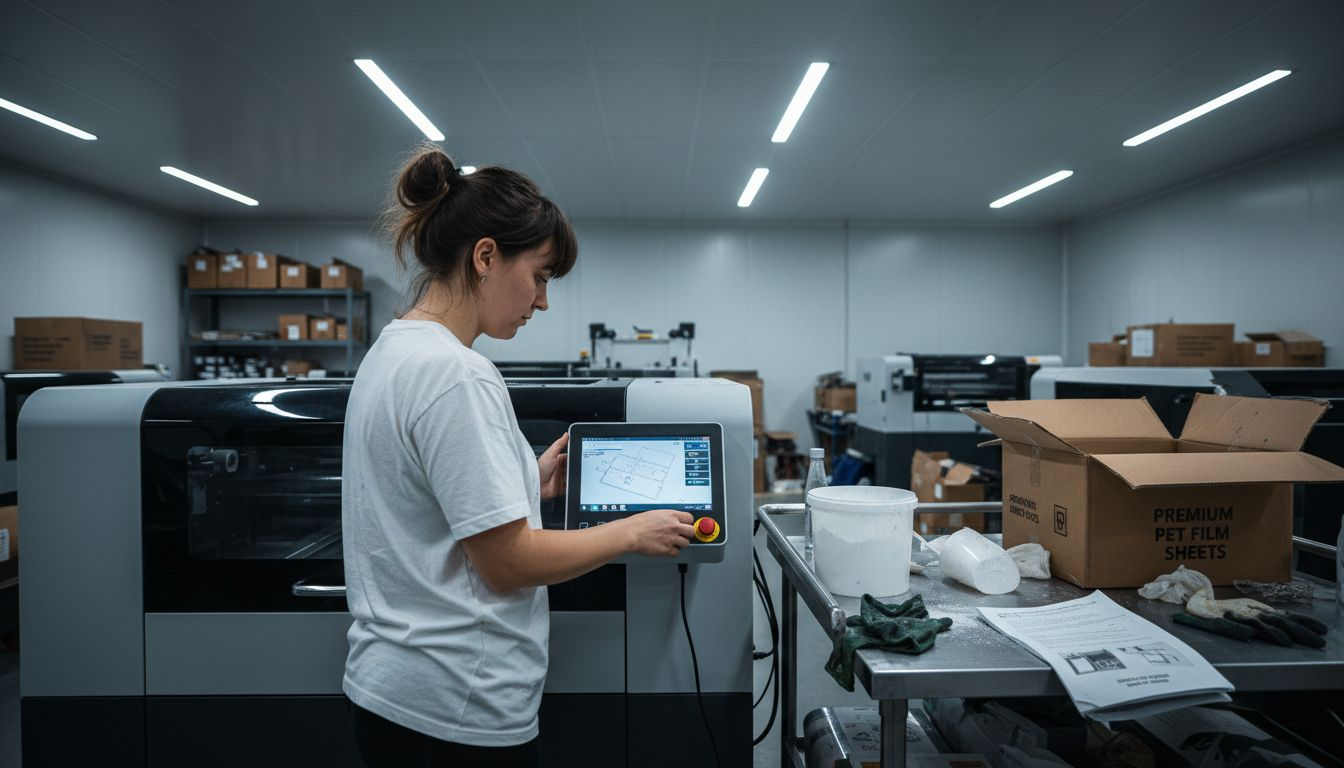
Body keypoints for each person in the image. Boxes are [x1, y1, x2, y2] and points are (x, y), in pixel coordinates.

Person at [341, 147, 696, 767]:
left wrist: (523, 482)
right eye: (540, 275)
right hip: (455, 705)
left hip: (394, 690)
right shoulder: (458, 375)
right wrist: (633, 530)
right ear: (485, 257)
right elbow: (507, 563)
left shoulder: (393, 352)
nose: (543, 301)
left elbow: (422, 504)